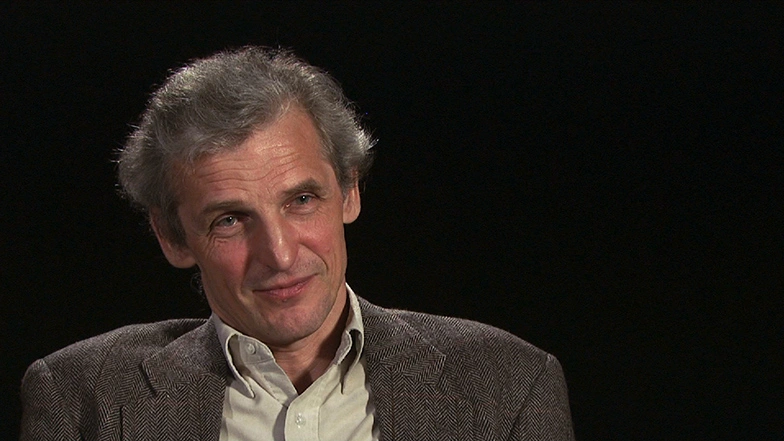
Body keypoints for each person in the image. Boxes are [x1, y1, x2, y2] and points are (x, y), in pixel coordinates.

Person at [20, 46, 574, 441]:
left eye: (301, 201)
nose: (281, 255)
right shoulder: (80, 397)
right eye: (231, 220)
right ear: (171, 237)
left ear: (350, 192)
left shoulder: (509, 386)